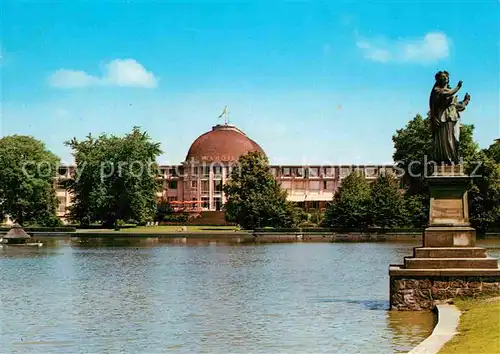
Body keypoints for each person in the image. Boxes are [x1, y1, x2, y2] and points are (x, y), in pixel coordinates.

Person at [429, 71, 471, 165]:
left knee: (456, 139)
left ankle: (454, 158)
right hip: (444, 117)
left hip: (454, 117)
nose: (445, 79)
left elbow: (459, 106)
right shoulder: (437, 90)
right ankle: (448, 160)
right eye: (442, 78)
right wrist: (458, 87)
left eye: (446, 77)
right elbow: (446, 94)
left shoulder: (450, 92)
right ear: (439, 80)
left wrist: (466, 100)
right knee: (448, 140)